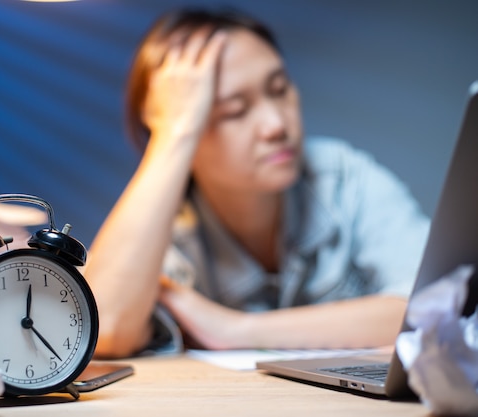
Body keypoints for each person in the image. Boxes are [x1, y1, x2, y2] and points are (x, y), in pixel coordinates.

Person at [83, 7, 430, 358]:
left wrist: (234, 329)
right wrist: (174, 133)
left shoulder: (343, 177)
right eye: (234, 110)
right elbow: (102, 329)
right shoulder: (164, 228)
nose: (276, 124)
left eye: (279, 89)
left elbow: (437, 306)